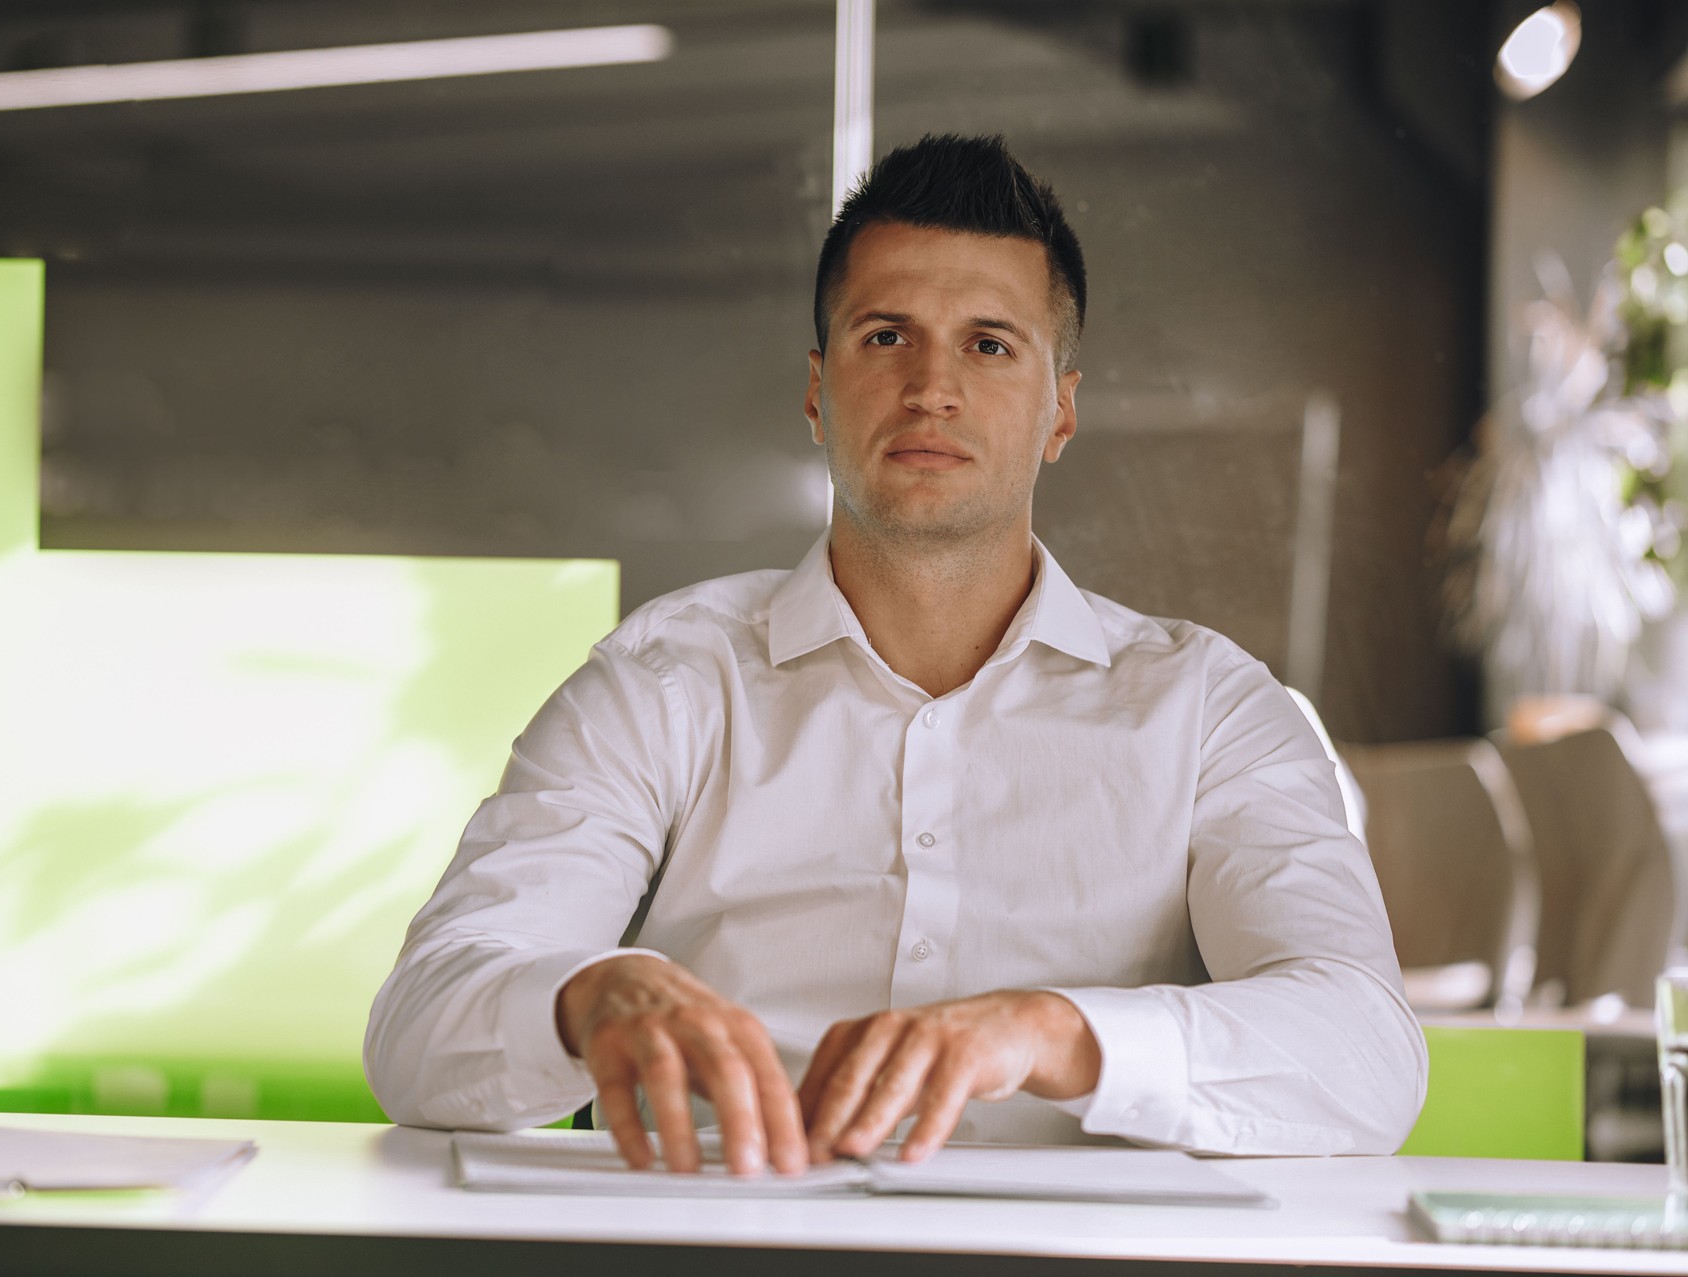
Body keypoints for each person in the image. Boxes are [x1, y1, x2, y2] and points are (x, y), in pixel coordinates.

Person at [364, 134, 1425, 1177]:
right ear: (819, 390)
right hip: (725, 1258)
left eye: (990, 343)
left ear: (1062, 410)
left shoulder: (1211, 707)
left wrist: (1053, 1032)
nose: (932, 387)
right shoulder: (663, 681)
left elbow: (1367, 1053)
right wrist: (582, 996)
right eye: (885, 337)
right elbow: (417, 1029)